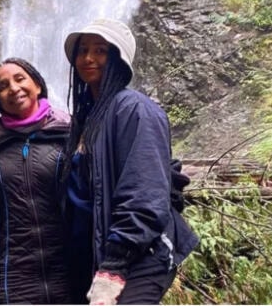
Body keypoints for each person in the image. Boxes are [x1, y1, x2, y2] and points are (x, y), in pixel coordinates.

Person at [62, 18, 199, 305]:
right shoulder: (85, 118)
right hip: (94, 252)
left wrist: (115, 264)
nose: (88, 58)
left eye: (100, 50)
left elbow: (145, 191)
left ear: (117, 59)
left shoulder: (136, 109)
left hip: (139, 254)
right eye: (82, 50)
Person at [0, 58, 74, 304]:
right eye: (3, 86)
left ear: (38, 86)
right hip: (14, 271)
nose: (13, 88)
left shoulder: (70, 134)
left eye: (20, 79)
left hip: (68, 265)